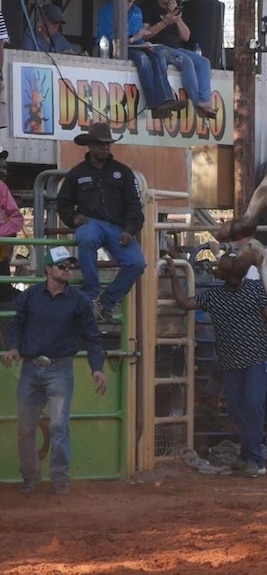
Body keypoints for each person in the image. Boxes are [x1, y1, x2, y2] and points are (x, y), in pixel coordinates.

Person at [164, 250, 267, 478]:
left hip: (253, 360)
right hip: (233, 361)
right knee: (240, 409)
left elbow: (183, 302)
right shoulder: (233, 294)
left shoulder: (235, 293)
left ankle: (254, 459)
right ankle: (249, 455)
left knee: (252, 406)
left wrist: (173, 275)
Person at [3, 247, 106, 495]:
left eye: (69, 266)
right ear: (48, 269)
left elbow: (93, 337)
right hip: (41, 367)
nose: (67, 269)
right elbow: (17, 326)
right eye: (62, 266)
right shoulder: (31, 297)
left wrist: (97, 367)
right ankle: (38, 477)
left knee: (55, 426)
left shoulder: (74, 300)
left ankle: (54, 478)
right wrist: (14, 347)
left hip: (53, 367)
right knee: (29, 427)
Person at [56, 123, 146, 322]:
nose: (104, 148)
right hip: (92, 222)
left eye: (107, 144)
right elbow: (63, 203)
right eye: (99, 144)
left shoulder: (123, 172)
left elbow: (134, 204)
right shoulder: (76, 174)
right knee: (86, 237)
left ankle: (106, 302)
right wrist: (73, 218)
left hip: (118, 227)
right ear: (90, 146)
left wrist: (130, 230)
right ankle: (91, 292)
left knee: (137, 263)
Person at [96, 0, 186, 120]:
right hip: (114, 47)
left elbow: (139, 35)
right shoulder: (108, 9)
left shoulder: (137, 11)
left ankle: (166, 99)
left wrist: (144, 43)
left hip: (134, 45)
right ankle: (154, 105)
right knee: (143, 58)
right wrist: (133, 39)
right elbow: (108, 36)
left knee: (158, 57)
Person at [138, 0, 217, 119]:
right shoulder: (148, 6)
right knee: (185, 61)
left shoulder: (175, 8)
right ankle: (197, 103)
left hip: (175, 47)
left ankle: (204, 101)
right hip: (157, 46)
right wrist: (165, 21)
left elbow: (186, 36)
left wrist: (177, 18)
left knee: (204, 62)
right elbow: (145, 35)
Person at [0, 148, 23, 301]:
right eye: (0, 167)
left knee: (5, 298)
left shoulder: (2, 188)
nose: (3, 171)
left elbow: (16, 218)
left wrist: (1, 233)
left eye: (4, 167)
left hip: (0, 258)